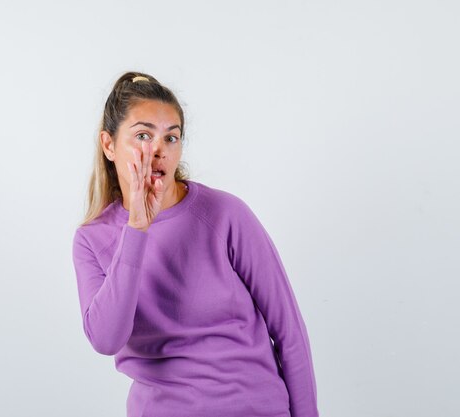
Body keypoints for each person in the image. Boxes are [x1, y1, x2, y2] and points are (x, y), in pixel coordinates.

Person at [71, 71, 319, 417]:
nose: (157, 150)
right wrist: (137, 228)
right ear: (109, 145)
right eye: (143, 135)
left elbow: (289, 331)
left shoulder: (225, 214)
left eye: (171, 138)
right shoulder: (92, 239)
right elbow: (106, 339)